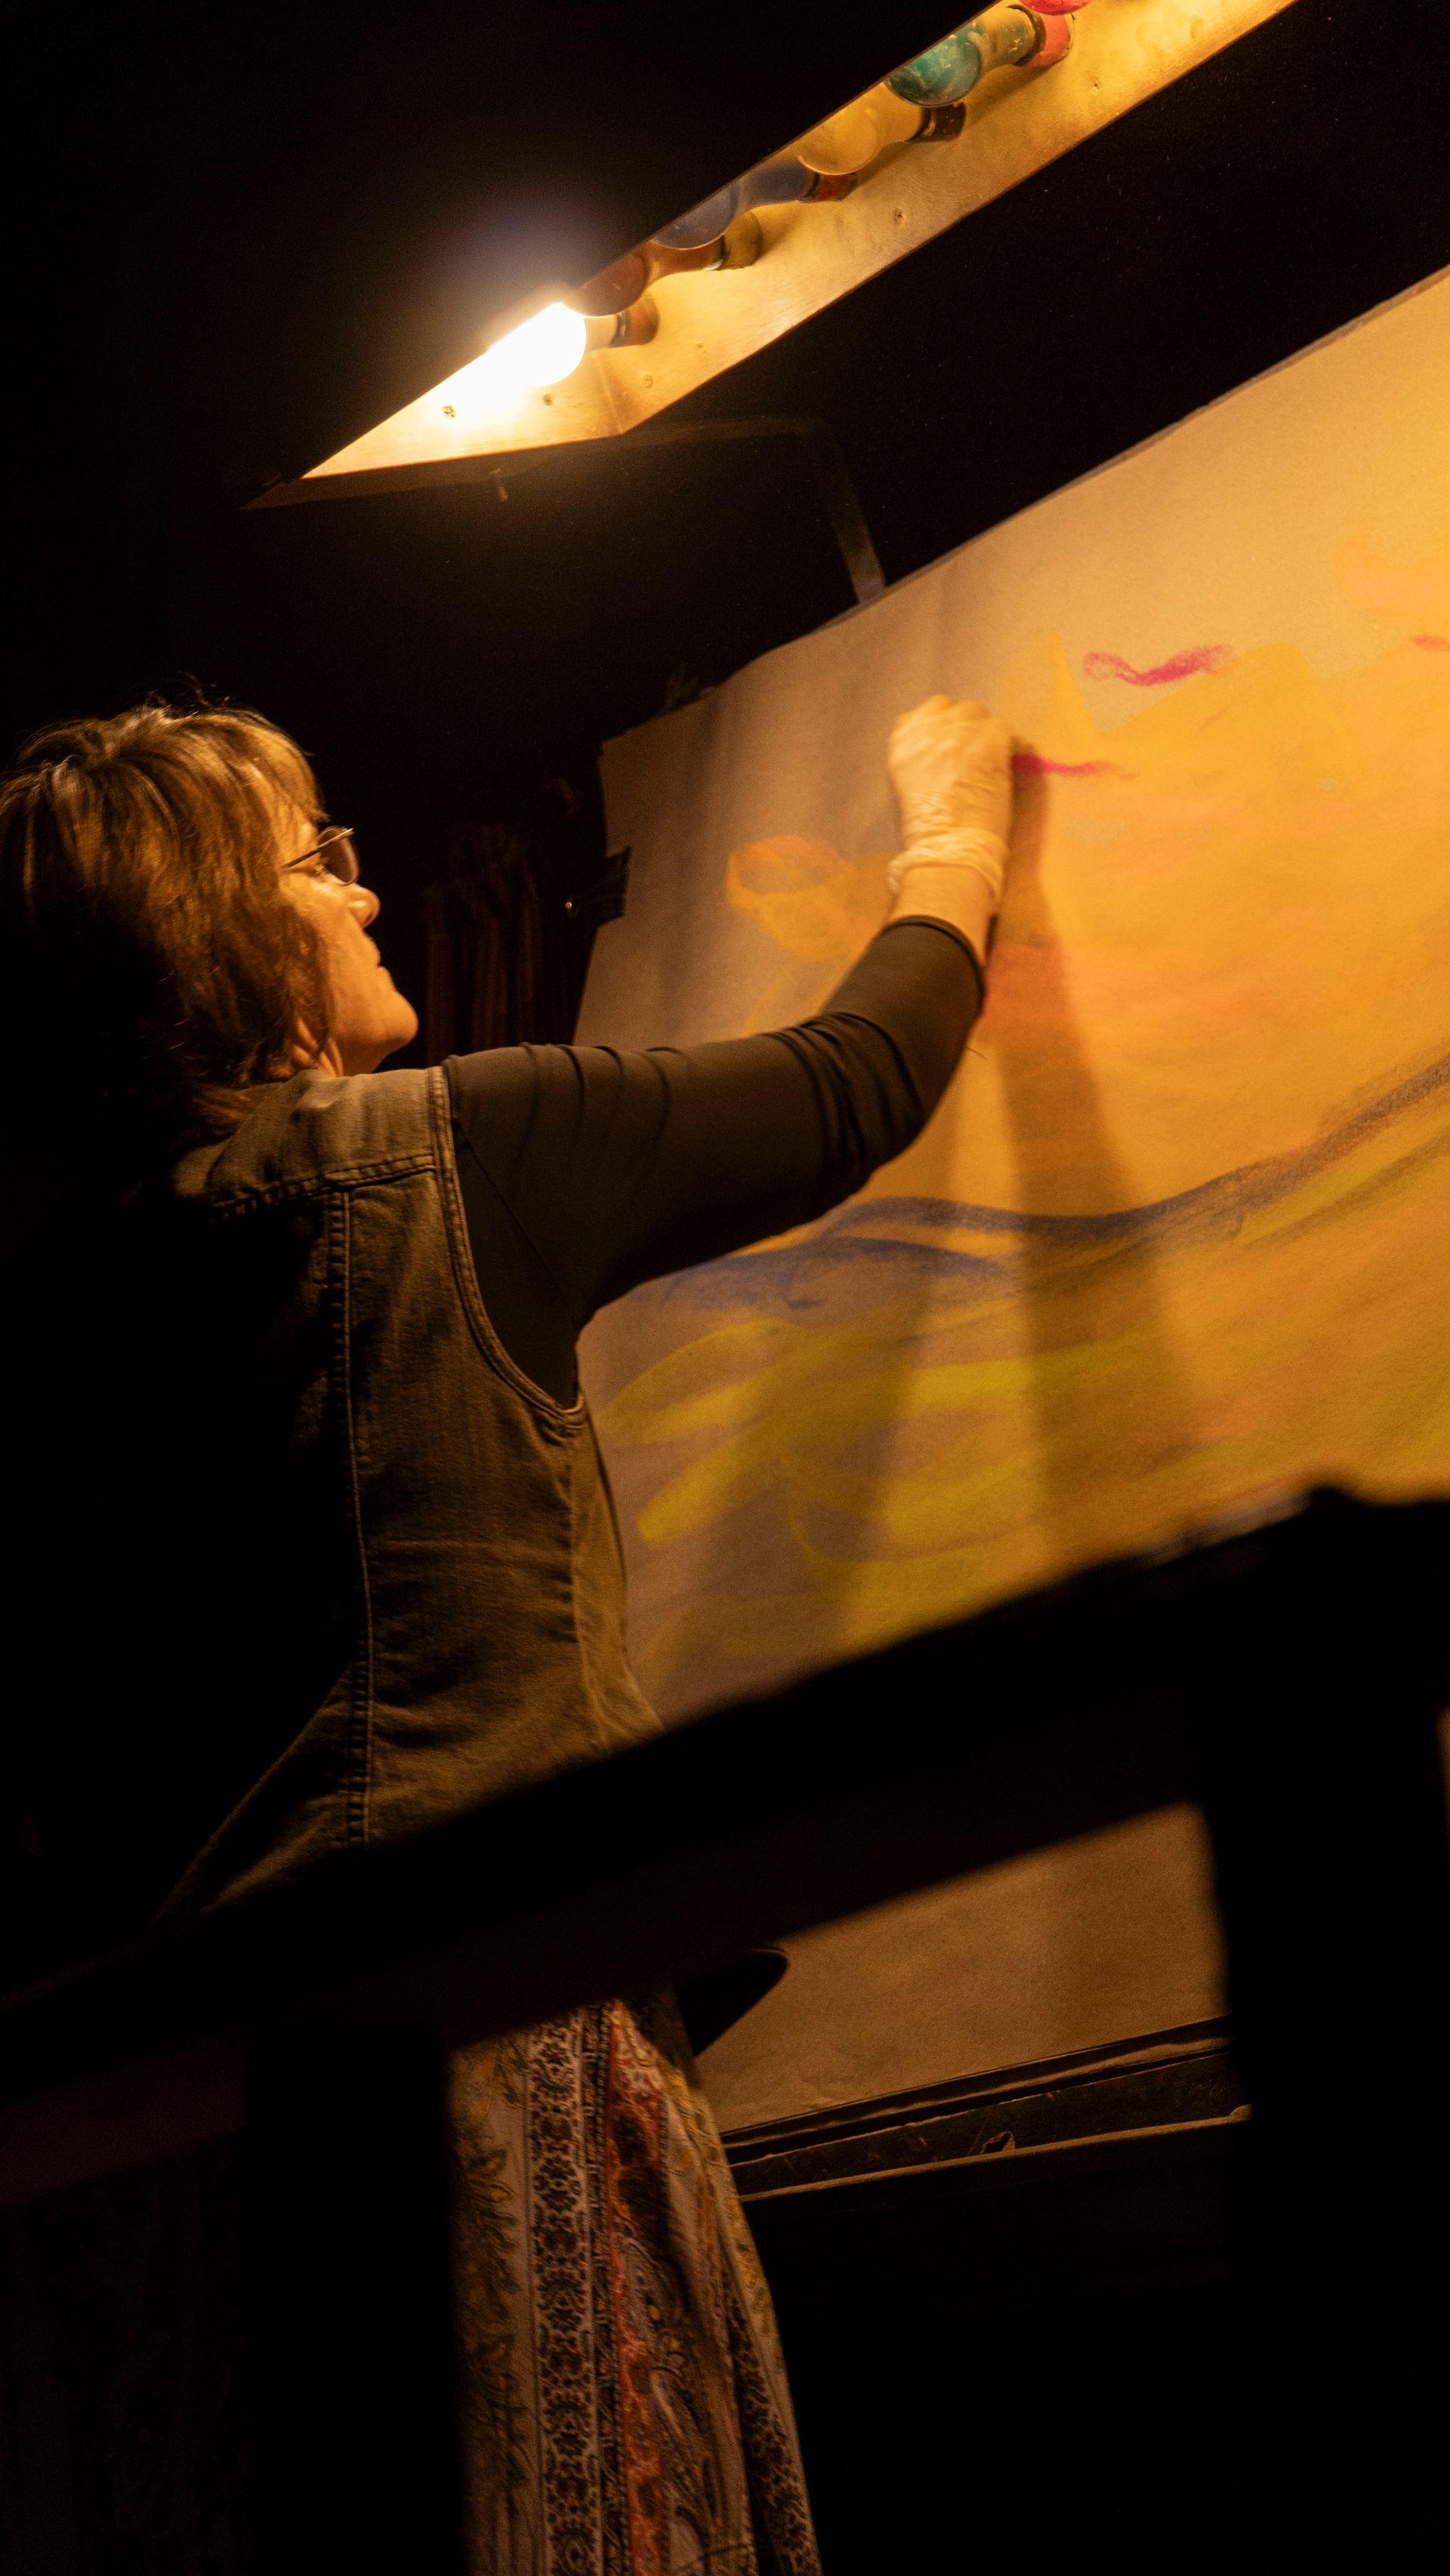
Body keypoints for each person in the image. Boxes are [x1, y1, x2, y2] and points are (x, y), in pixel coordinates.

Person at [0, 690, 1013, 2574]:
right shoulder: (448, 1158)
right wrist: (956, 832)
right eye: (321, 858)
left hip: (126, 2171)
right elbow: (854, 1074)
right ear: (209, 927)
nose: (370, 899)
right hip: (461, 2090)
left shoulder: (42, 1323)